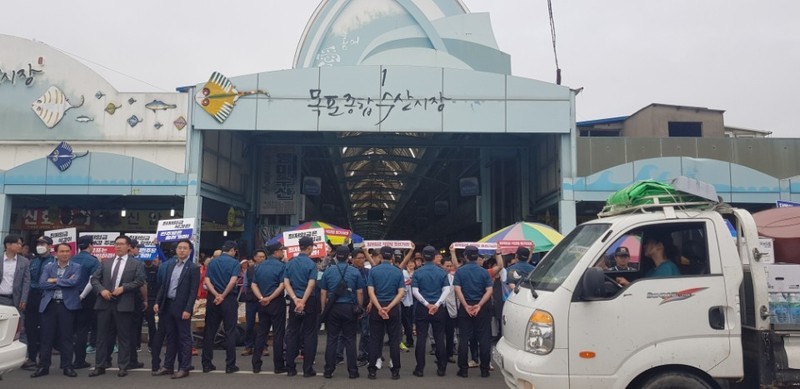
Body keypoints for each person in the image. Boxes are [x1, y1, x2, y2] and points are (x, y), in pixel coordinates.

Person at [89, 235, 146, 377]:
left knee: (124, 336)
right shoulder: (106, 262)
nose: (118, 246)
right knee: (102, 336)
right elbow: (95, 279)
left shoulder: (136, 264)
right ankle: (100, 365)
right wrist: (101, 290)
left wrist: (124, 288)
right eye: (116, 244)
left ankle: (123, 365)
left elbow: (140, 280)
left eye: (121, 244)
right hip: (105, 302)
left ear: (128, 247)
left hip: (124, 303)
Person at [31, 243, 82, 378]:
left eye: (67, 251)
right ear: (56, 253)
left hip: (67, 306)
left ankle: (67, 366)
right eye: (62, 251)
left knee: (67, 337)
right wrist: (63, 281)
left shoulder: (76, 267)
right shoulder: (49, 267)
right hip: (49, 305)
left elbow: (74, 283)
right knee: (46, 337)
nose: (65, 254)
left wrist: (54, 281)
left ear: (71, 253)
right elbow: (42, 284)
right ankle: (43, 366)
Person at [152, 239, 200, 379]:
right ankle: (168, 366)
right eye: (180, 248)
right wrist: (157, 302)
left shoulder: (193, 268)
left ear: (190, 251)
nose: (182, 250)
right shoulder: (170, 265)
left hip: (182, 308)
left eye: (185, 248)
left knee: (184, 338)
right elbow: (164, 286)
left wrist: (188, 309)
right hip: (167, 305)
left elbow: (193, 291)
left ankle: (184, 367)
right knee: (170, 337)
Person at [320, 246, 364, 379]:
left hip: (333, 308)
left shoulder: (328, 271)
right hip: (349, 308)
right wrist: (359, 308)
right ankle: (352, 371)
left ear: (336, 256)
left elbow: (323, 292)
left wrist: (324, 309)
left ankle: (328, 370)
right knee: (350, 340)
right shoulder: (355, 272)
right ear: (348, 256)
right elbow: (360, 292)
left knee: (332, 339)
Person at [453, 246, 494, 378]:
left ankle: (463, 369)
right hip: (482, 308)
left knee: (464, 338)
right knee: (484, 338)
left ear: (465, 256)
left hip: (466, 308)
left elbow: (457, 289)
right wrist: (479, 305)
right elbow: (489, 290)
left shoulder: (460, 271)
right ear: (477, 256)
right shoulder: (484, 272)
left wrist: (465, 305)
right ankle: (484, 369)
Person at [201, 240, 241, 374]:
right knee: (230, 331)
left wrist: (216, 294)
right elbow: (233, 281)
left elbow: (207, 281)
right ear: (233, 250)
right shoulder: (235, 263)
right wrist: (223, 295)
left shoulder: (212, 262)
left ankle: (206, 363)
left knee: (209, 331)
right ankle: (230, 365)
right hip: (228, 299)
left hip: (213, 299)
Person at [366, 246, 405, 380]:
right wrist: (389, 307)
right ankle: (395, 370)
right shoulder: (398, 271)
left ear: (381, 256)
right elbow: (401, 292)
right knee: (394, 339)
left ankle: (372, 370)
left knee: (375, 339)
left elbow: (371, 291)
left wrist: (379, 308)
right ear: (392, 257)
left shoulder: (374, 271)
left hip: (377, 308)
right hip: (393, 308)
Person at [283, 236, 320, 377]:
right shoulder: (311, 265)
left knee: (292, 332)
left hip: (294, 300)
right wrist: (303, 301)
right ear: (309, 247)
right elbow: (311, 284)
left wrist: (295, 299)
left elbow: (286, 283)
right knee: (310, 334)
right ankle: (307, 368)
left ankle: (290, 367)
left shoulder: (290, 263)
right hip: (309, 301)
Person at [411, 245, 450, 377]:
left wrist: (427, 304)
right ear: (435, 257)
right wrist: (437, 304)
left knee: (421, 337)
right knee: (439, 337)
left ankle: (420, 368)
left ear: (422, 256)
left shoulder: (418, 272)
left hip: (422, 308)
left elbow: (415, 291)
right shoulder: (442, 272)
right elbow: (446, 290)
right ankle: (441, 368)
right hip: (438, 309)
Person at [250, 243, 287, 374]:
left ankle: (256, 364)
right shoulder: (282, 266)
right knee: (278, 334)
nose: (283, 253)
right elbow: (282, 285)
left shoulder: (259, 267)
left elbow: (253, 284)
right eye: (282, 251)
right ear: (276, 252)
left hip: (262, 303)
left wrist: (262, 297)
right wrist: (270, 298)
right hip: (276, 302)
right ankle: (278, 365)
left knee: (262, 333)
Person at [21, 235, 55, 370]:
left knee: (46, 330)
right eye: (39, 243)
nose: (40, 245)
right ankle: (31, 358)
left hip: (46, 297)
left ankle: (44, 359)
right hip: (32, 298)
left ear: (50, 246)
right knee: (30, 329)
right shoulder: (32, 261)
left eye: (43, 243)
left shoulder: (54, 262)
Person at [70, 235, 100, 370]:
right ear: (90, 245)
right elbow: (92, 281)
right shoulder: (93, 261)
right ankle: (79, 360)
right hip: (86, 299)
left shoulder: (71, 259)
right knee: (82, 330)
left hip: (69, 298)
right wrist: (82, 296)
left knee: (70, 330)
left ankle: (67, 359)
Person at [0, 234, 30, 311]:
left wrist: (24, 299)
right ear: (8, 244)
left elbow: (26, 282)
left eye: (21, 244)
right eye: (17, 243)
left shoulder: (24, 262)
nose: (20, 246)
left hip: (15, 299)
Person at [241, 252, 261, 357]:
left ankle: (263, 346)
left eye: (263, 257)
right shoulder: (250, 270)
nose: (261, 258)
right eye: (259, 256)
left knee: (263, 324)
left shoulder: (265, 269)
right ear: (255, 258)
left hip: (263, 299)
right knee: (249, 324)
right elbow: (245, 284)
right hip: (251, 299)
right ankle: (248, 346)